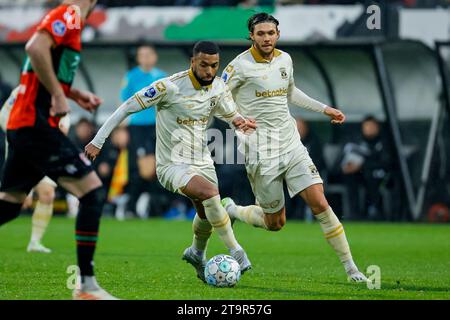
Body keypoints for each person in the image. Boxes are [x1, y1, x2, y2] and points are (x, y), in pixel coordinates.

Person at [85, 41, 257, 282]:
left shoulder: (218, 86)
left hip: (203, 161)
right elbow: (126, 107)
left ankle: (197, 252)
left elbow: (229, 114)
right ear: (193, 62)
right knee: (210, 194)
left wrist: (239, 121)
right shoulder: (169, 87)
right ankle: (237, 251)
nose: (209, 71)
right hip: (172, 165)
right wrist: (98, 140)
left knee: (206, 213)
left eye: (214, 65)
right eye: (204, 65)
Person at [220, 12, 368, 283]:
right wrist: (236, 120)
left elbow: (290, 93)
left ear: (278, 34)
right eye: (261, 33)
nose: (266, 38)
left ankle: (351, 269)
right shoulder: (238, 66)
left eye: (271, 33)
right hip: (261, 152)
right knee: (275, 223)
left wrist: (324, 108)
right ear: (251, 36)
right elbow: (216, 98)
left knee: (320, 203)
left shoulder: (285, 59)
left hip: (291, 145)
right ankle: (233, 210)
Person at [0, 0, 117, 300]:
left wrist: (74, 94)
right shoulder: (69, 13)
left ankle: (87, 287)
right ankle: (87, 287)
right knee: (92, 192)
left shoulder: (70, 20)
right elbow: (34, 48)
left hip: (27, 124)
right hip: (34, 123)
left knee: (11, 204)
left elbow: (41, 64)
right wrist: (58, 95)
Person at [120, 44, 166, 218]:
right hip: (138, 127)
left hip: (157, 127)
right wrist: (122, 128)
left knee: (156, 168)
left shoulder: (161, 77)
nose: (146, 58)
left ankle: (145, 208)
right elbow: (124, 105)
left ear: (154, 57)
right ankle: (133, 206)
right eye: (142, 55)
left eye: (149, 54)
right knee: (144, 169)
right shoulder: (131, 77)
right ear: (138, 58)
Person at [341, 115, 394, 220]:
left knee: (371, 177)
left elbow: (387, 162)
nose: (369, 129)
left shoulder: (384, 143)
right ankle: (354, 213)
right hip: (361, 174)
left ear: (377, 127)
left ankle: (375, 211)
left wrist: (362, 165)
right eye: (366, 126)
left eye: (371, 126)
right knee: (350, 177)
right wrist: (347, 166)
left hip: (380, 176)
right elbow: (346, 156)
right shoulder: (358, 141)